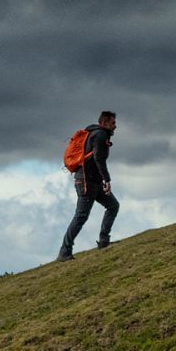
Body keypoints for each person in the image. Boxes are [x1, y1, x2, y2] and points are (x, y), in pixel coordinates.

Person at [57, 111, 118, 262]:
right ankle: (64, 252)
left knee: (112, 205)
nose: (115, 126)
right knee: (81, 216)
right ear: (104, 123)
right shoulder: (100, 135)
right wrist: (107, 180)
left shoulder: (95, 133)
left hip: (92, 181)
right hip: (86, 181)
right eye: (112, 123)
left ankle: (104, 241)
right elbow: (99, 158)